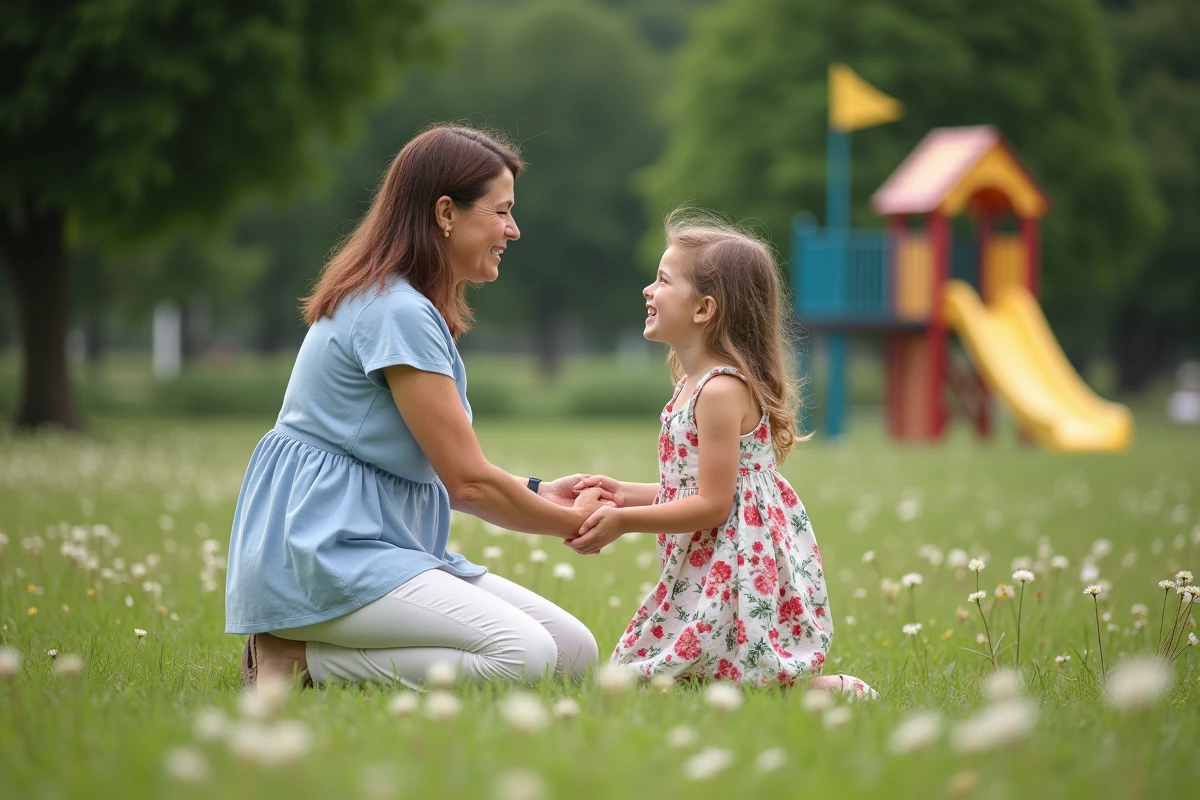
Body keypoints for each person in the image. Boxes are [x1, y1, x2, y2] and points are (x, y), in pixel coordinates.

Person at [225, 125, 605, 689]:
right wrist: (574, 522)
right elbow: (468, 483)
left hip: (382, 547)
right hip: (324, 554)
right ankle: (296, 659)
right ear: (446, 212)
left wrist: (538, 491)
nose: (513, 230)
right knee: (524, 656)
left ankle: (306, 655)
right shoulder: (394, 310)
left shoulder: (405, 304)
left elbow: (453, 471)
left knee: (573, 652)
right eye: (501, 212)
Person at [570, 211, 876, 696]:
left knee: (716, 675)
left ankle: (832, 690)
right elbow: (692, 487)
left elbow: (714, 504)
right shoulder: (691, 385)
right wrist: (621, 493)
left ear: (704, 309)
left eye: (663, 281)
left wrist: (625, 522)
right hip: (709, 551)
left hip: (736, 557)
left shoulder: (720, 391)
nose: (649, 291)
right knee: (689, 673)